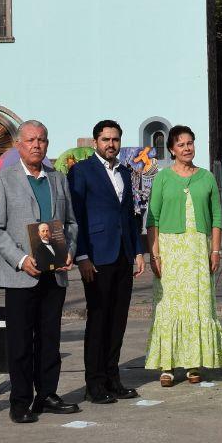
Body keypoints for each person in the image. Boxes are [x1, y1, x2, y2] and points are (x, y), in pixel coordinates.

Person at [0, 120, 81, 424]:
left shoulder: (58, 179)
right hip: (21, 274)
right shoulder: (3, 179)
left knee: (50, 337)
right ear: (18, 145)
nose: (36, 145)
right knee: (20, 341)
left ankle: (47, 394)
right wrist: (20, 259)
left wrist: (70, 251)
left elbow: (71, 223)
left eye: (42, 140)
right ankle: (20, 400)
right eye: (30, 140)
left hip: (55, 272)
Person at [69, 120, 146, 405]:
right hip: (97, 257)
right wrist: (82, 256)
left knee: (118, 321)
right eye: (105, 139)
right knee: (99, 320)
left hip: (124, 254)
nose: (110, 144)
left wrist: (138, 252)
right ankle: (94, 383)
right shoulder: (81, 171)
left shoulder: (126, 172)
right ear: (95, 142)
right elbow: (76, 216)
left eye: (115, 140)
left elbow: (131, 215)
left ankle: (113, 378)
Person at [145, 125, 222, 387]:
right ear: (171, 149)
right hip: (170, 250)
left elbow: (216, 217)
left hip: (198, 251)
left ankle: (193, 364)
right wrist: (154, 255)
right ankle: (167, 366)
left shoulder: (207, 177)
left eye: (190, 143)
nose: (187, 148)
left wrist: (215, 250)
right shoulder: (163, 178)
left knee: (199, 304)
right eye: (181, 144)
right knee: (169, 305)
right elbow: (152, 218)